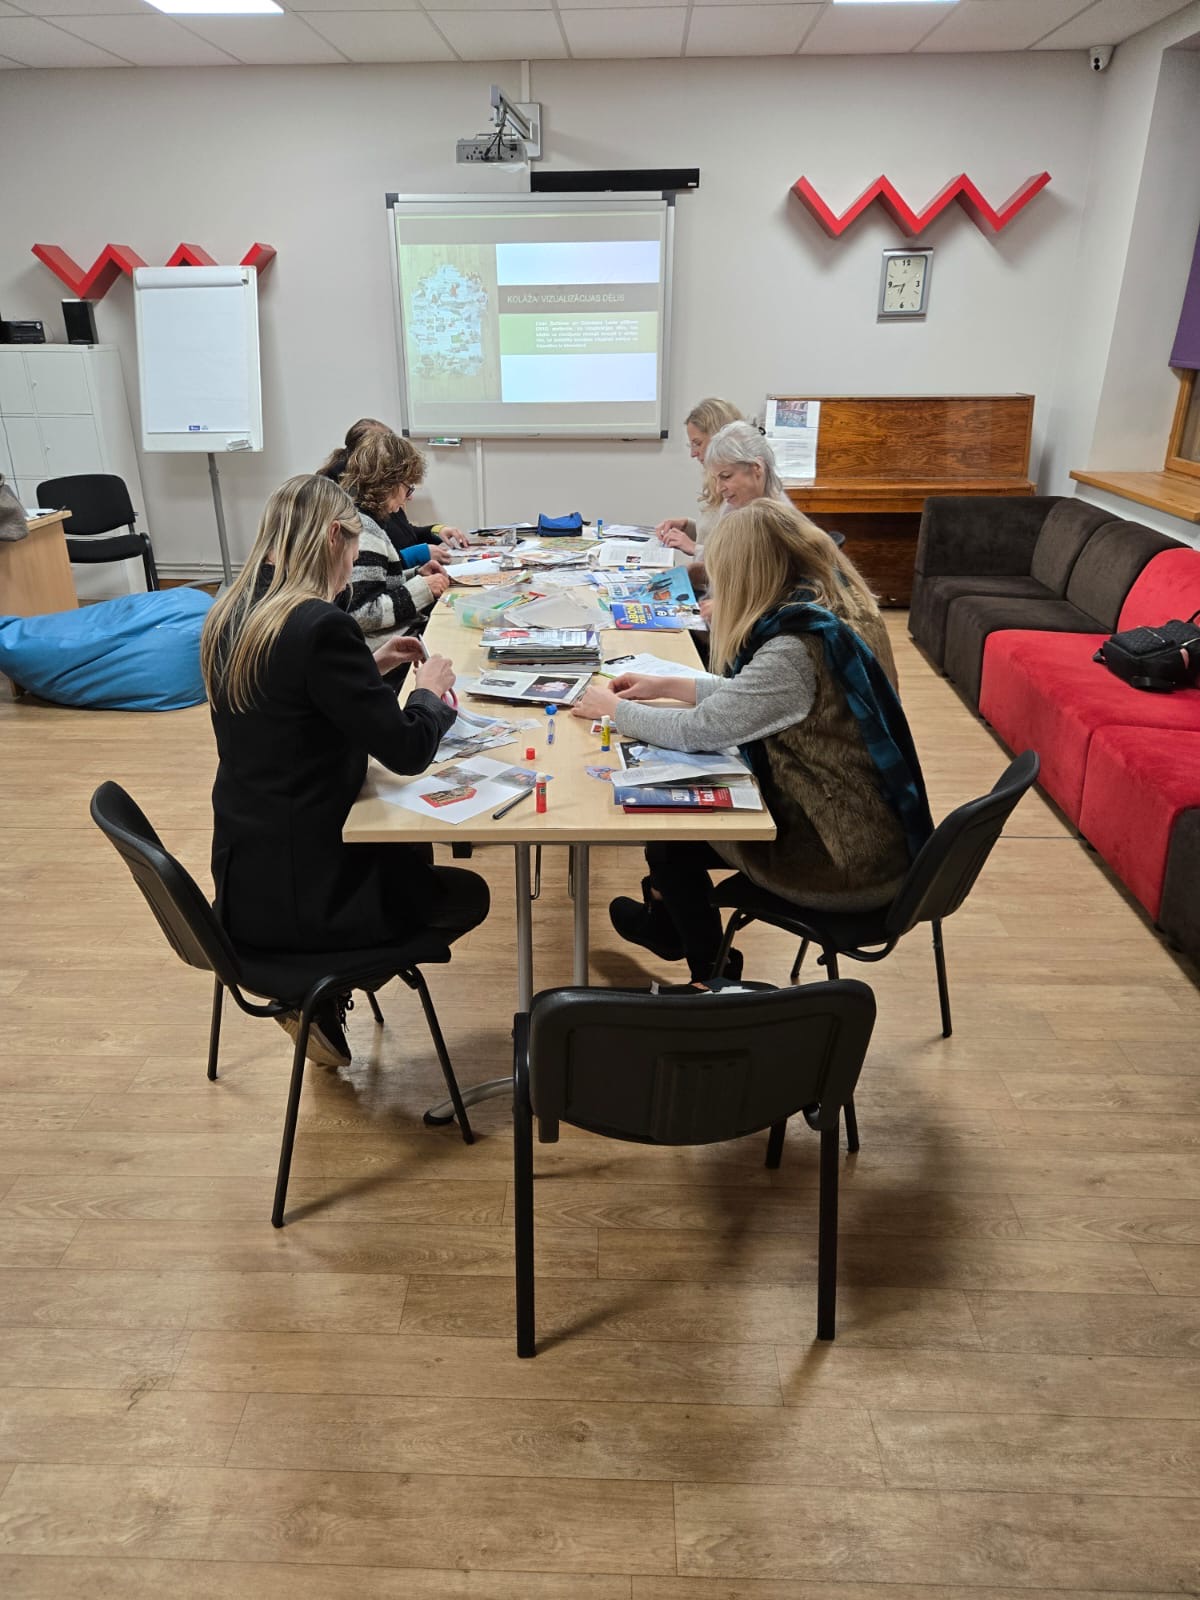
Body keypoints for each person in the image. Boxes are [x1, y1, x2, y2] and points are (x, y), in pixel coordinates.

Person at [571, 498, 931, 986]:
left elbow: (701, 731)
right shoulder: (829, 612)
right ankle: (674, 931)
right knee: (672, 838)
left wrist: (613, 710)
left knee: (674, 831)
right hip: (868, 834)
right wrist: (670, 685)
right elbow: (760, 698)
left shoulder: (794, 648)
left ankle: (708, 977)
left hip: (838, 860)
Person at [200, 474, 490, 1066]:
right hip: (314, 896)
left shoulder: (234, 609)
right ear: (335, 535)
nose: (353, 565)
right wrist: (429, 693)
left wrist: (368, 665)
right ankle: (317, 990)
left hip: (246, 883)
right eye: (355, 548)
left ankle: (312, 995)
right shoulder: (317, 624)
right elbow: (407, 751)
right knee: (466, 895)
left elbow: (287, 703)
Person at [337, 429, 452, 637]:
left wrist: (416, 575)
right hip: (386, 646)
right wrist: (422, 589)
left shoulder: (365, 519)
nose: (410, 497)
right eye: (408, 487)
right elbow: (362, 614)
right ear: (389, 483)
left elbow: (378, 584)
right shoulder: (365, 532)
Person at [319, 418, 470, 556]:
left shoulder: (381, 490)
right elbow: (374, 558)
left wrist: (436, 530)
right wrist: (415, 556)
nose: (409, 497)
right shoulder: (344, 500)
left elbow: (404, 534)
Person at [654, 397, 744, 557]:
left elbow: (737, 557)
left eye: (698, 443)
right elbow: (717, 536)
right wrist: (687, 527)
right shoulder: (718, 478)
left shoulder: (741, 487)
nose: (693, 453)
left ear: (719, 438)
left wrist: (693, 547)